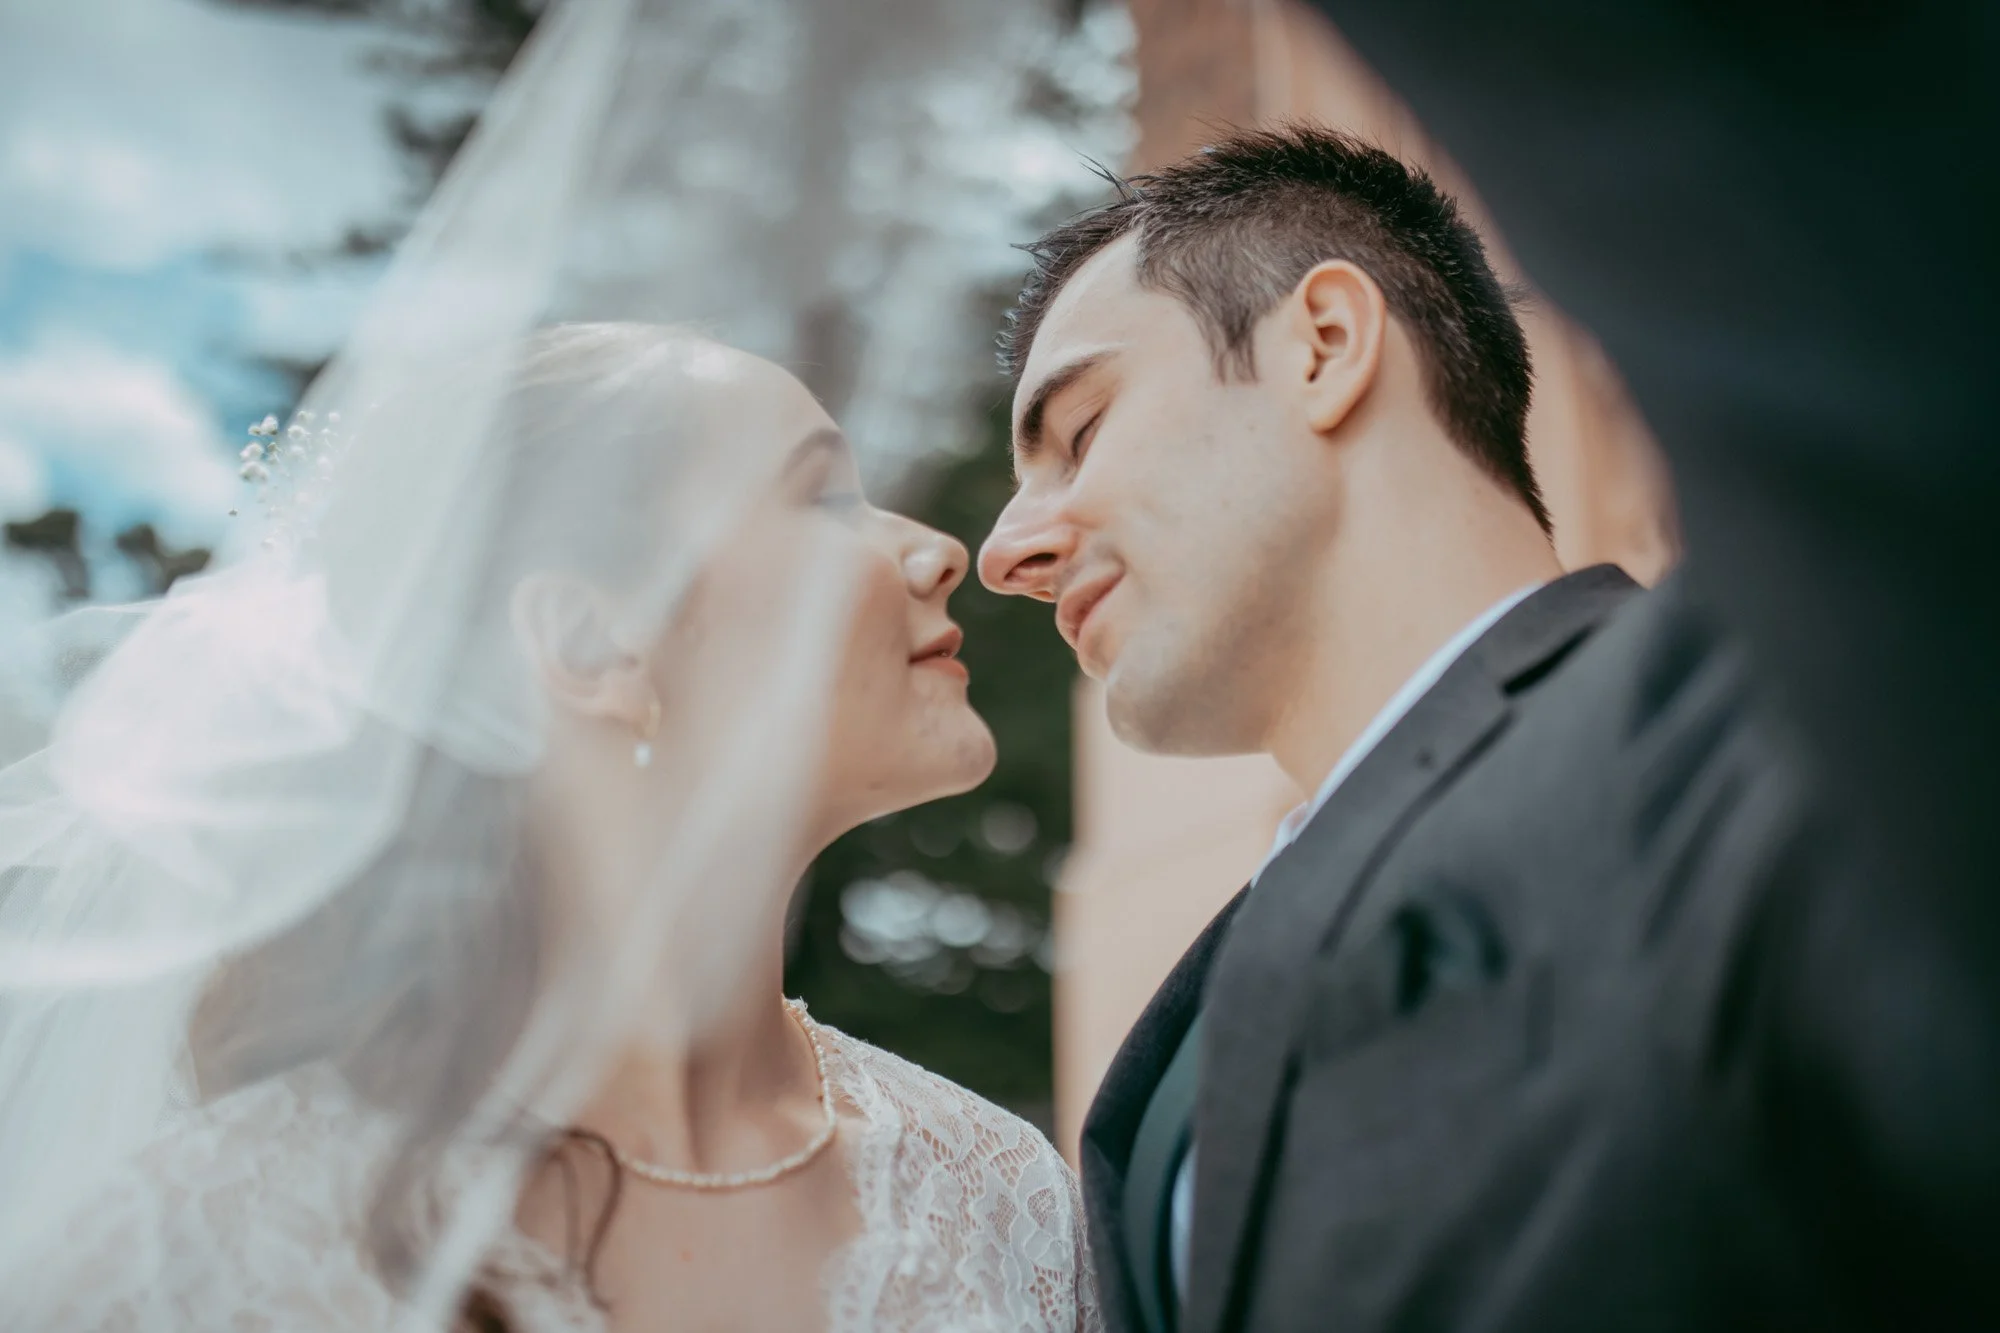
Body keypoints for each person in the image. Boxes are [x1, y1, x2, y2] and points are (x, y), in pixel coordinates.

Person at [980, 122, 1990, 1333]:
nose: (1004, 552)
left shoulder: (1764, 727)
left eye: (1080, 432)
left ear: (1323, 344)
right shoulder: (1157, 1083)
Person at [1, 324, 1098, 1332]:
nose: (940, 551)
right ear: (591, 646)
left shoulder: (1002, 1195)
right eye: (823, 498)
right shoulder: (186, 1255)